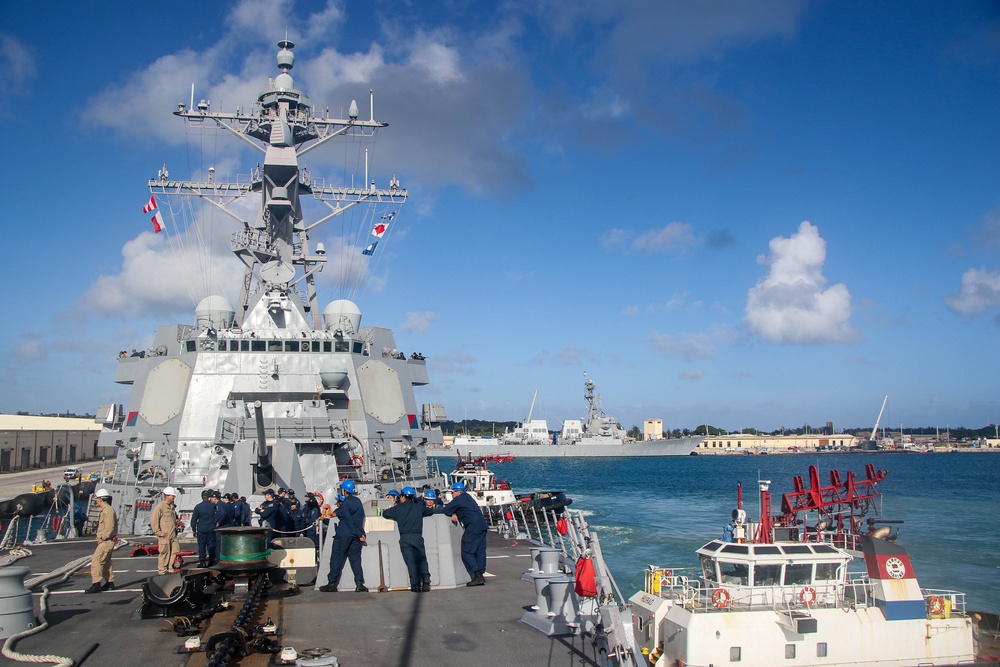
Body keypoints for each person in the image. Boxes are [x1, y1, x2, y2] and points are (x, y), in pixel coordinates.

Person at [319, 480, 367, 592]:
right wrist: (360, 533)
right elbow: (359, 518)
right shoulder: (357, 501)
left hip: (344, 534)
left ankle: (332, 583)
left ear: (344, 490)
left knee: (336, 558)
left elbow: (347, 518)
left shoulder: (345, 503)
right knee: (355, 559)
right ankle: (359, 583)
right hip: (356, 536)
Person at [383, 486, 433, 592]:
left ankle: (415, 585)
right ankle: (425, 576)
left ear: (402, 497)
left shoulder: (398, 508)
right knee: (422, 559)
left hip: (405, 537)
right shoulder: (419, 507)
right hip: (418, 536)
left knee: (411, 562)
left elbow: (385, 514)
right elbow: (430, 512)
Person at [439, 481, 488, 586]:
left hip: (473, 527)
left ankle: (477, 574)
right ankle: (481, 572)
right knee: (480, 550)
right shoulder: (468, 498)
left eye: (452, 492)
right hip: (482, 525)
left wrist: (453, 512)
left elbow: (445, 511)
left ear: (458, 492)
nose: (452, 495)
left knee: (467, 551)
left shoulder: (458, 499)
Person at [85, 489, 117, 593]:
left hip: (106, 541)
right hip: (108, 540)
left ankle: (96, 584)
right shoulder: (107, 510)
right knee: (106, 562)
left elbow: (109, 527)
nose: (96, 501)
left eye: (97, 499)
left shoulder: (107, 511)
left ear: (101, 499)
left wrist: (102, 538)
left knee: (96, 562)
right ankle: (109, 582)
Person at [150, 486, 180, 575]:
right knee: (164, 554)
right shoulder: (160, 507)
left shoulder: (172, 507)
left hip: (173, 535)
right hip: (165, 536)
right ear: (167, 495)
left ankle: (171, 568)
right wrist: (159, 533)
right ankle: (162, 570)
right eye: (173, 496)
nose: (174, 497)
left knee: (175, 552)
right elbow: (154, 521)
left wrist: (176, 522)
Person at [191, 489, 219, 567]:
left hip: (201, 529)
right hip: (211, 528)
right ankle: (211, 560)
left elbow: (194, 519)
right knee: (211, 545)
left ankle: (202, 561)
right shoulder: (213, 506)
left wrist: (194, 530)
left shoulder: (198, 507)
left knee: (201, 546)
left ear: (202, 497)